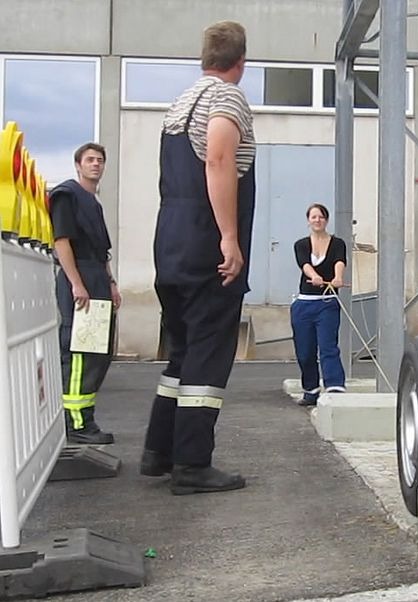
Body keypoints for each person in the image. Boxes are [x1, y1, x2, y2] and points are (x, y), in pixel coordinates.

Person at [139, 20, 256, 495]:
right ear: (241, 63)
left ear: (204, 58)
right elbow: (219, 160)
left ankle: (158, 452)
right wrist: (229, 237)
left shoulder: (180, 103)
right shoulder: (227, 99)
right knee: (208, 356)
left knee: (183, 353)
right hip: (207, 246)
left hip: (170, 243)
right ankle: (192, 466)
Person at [49, 143, 122, 445]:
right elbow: (61, 241)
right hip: (79, 278)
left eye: (100, 160)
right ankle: (76, 424)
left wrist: (111, 283)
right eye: (90, 160)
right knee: (80, 353)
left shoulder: (93, 202)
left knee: (97, 354)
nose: (96, 164)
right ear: (78, 165)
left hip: (96, 278)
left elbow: (101, 251)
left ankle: (86, 419)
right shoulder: (67, 195)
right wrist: (77, 283)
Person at [291, 203, 347, 406]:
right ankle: (311, 390)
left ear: (326, 220)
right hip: (304, 304)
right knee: (305, 351)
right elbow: (304, 264)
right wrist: (315, 276)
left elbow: (340, 261)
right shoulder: (301, 244)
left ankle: (335, 387)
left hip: (327, 303)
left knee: (328, 347)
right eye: (313, 217)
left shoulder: (338, 243)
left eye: (321, 217)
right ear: (308, 220)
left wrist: (338, 277)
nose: (317, 220)